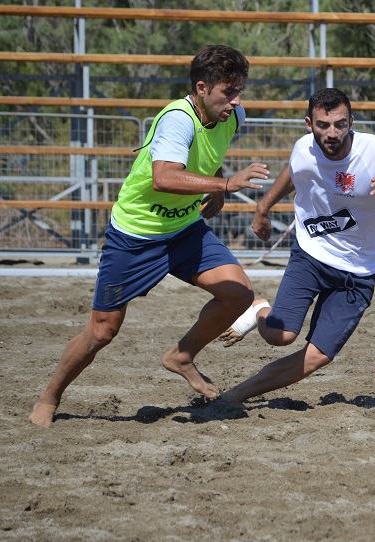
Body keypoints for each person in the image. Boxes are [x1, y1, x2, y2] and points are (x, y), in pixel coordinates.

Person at [29, 45, 270, 427]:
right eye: (229, 91)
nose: (237, 100)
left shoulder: (232, 116)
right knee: (102, 331)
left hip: (184, 230)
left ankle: (182, 355)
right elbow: (165, 176)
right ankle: (49, 396)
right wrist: (225, 182)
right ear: (202, 87)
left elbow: (208, 152)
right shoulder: (177, 119)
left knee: (238, 293)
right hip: (136, 235)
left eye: (240, 90)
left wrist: (218, 189)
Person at [213, 87, 375, 408]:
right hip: (311, 254)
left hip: (357, 273)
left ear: (351, 122)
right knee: (280, 336)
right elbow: (293, 172)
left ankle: (235, 395)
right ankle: (260, 310)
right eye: (323, 125)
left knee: (318, 356)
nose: (332, 133)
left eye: (340, 124)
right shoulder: (304, 149)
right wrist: (263, 208)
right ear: (308, 124)